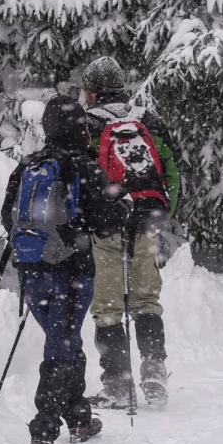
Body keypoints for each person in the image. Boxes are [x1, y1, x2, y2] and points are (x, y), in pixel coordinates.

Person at [1, 95, 127, 444]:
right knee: (62, 345)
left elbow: (8, 216)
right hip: (72, 271)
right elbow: (106, 223)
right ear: (79, 129)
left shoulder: (28, 166)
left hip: (32, 270)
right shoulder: (83, 167)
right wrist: (123, 207)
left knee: (65, 340)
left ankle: (79, 418)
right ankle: (43, 431)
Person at [81, 56, 181, 408]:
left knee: (108, 308)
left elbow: (82, 177)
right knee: (146, 302)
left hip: (107, 227)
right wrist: (160, 213)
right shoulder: (145, 120)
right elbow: (171, 169)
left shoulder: (89, 125)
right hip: (145, 222)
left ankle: (117, 386)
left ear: (92, 92)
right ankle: (154, 375)